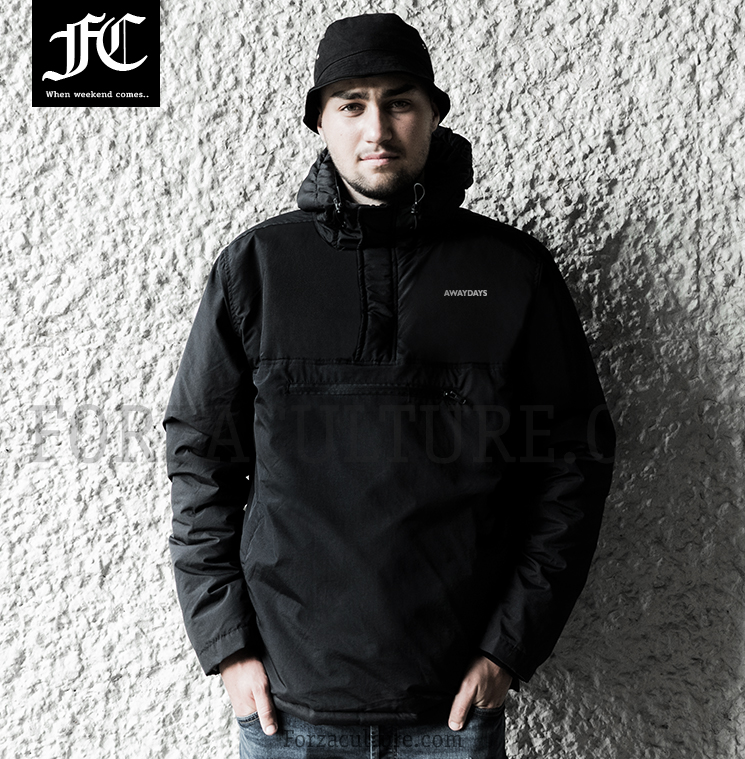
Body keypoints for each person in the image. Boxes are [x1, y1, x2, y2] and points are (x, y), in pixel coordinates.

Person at [164, 13, 616, 759]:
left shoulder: (511, 272)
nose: (376, 128)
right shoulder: (257, 270)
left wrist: (509, 647)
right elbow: (200, 459)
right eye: (351, 104)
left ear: (433, 114)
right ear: (320, 122)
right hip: (288, 709)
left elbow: (576, 458)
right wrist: (226, 645)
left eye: (399, 102)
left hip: (453, 712)